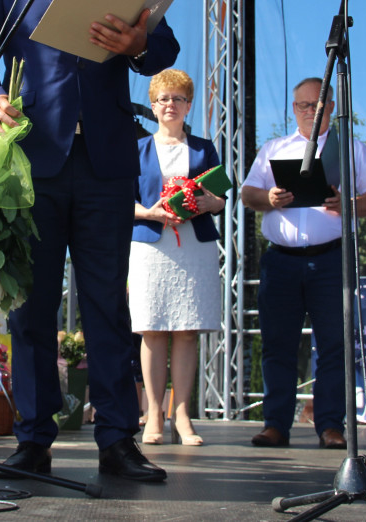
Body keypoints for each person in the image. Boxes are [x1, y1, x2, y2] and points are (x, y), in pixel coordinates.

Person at [0, 0, 179, 482]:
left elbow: (164, 51)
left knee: (107, 304)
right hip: (32, 163)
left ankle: (117, 439)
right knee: (31, 310)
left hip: (105, 166)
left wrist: (137, 43)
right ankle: (33, 438)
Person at [241, 77, 366, 449]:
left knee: (335, 345)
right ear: (293, 109)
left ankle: (330, 426)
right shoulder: (274, 149)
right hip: (282, 261)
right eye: (304, 105)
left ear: (331, 107)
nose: (311, 111)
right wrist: (269, 197)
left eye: (318, 105)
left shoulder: (349, 149)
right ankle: (275, 424)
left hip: (331, 259)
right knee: (277, 344)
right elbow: (247, 193)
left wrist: (350, 203)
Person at [129, 69, 225, 447]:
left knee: (187, 329)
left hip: (195, 246)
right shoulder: (136, 149)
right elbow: (123, 201)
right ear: (153, 106)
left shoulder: (204, 148)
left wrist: (207, 203)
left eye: (178, 98)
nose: (171, 104)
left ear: (188, 105)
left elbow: (220, 198)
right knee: (152, 329)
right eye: (163, 99)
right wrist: (151, 213)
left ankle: (181, 414)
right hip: (151, 246)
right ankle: (153, 412)